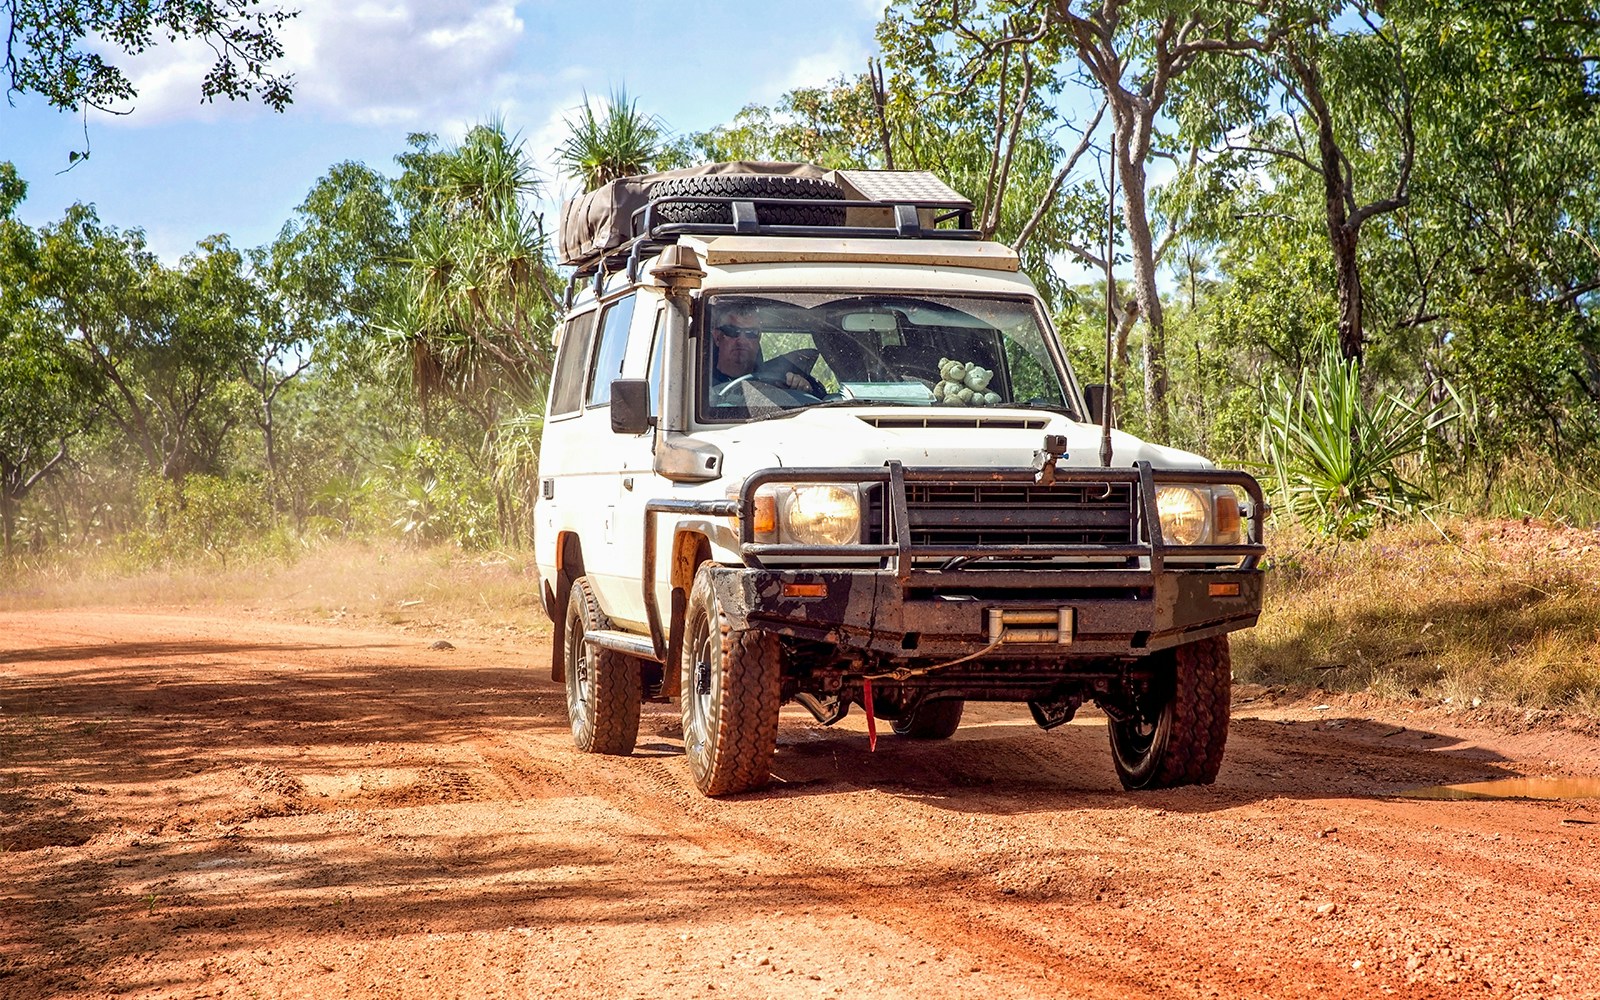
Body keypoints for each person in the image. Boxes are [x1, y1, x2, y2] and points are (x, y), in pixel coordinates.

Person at [708, 305, 818, 394]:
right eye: (732, 332)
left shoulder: (780, 380)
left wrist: (804, 389)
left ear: (759, 338)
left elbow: (823, 400)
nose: (742, 340)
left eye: (751, 333)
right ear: (717, 337)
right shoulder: (700, 386)